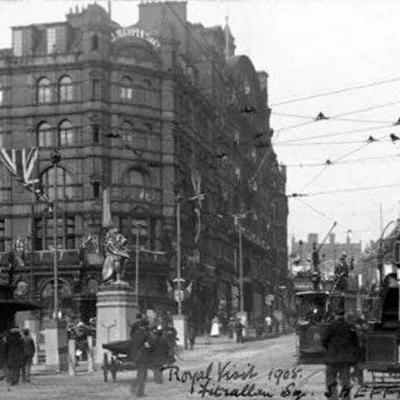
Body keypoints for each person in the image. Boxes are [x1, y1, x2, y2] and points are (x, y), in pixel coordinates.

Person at [321, 309, 359, 400]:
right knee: (345, 380)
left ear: (335, 315)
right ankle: (346, 398)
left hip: (332, 359)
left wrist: (329, 349)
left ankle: (333, 397)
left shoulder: (331, 326)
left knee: (330, 379)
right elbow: (355, 342)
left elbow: (324, 340)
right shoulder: (349, 326)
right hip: (345, 359)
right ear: (344, 315)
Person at [130, 320, 152, 397]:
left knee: (140, 373)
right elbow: (150, 344)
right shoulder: (145, 333)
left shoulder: (135, 333)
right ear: (146, 326)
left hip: (135, 355)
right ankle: (140, 392)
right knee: (143, 374)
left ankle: (133, 386)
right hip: (142, 356)